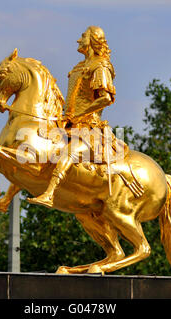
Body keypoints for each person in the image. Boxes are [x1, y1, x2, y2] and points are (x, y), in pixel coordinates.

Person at [28, 26, 125, 208]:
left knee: (69, 152)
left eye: (83, 36)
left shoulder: (100, 65)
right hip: (70, 123)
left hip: (90, 126)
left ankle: (49, 194)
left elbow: (106, 98)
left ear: (92, 40)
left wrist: (81, 113)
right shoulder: (80, 67)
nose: (78, 40)